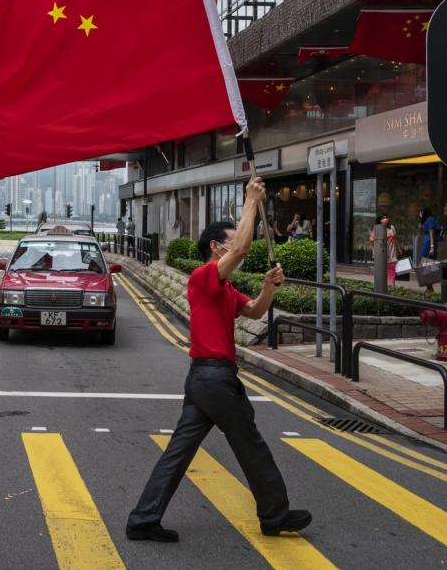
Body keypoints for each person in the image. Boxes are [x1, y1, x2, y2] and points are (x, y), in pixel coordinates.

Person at [127, 175, 311, 543]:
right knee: (252, 444)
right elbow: (242, 250)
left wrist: (267, 288)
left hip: (204, 381)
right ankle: (274, 515)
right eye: (231, 241)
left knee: (178, 452)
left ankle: (143, 519)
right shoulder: (201, 278)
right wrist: (250, 203)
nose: (239, 246)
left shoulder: (224, 289)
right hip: (214, 380)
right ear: (216, 247)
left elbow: (257, 312)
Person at [369, 211, 398, 285]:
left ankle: (392, 284)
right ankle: (382, 284)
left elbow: (394, 239)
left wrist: (399, 249)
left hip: (391, 249)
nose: (385, 219)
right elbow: (372, 241)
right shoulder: (376, 228)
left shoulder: (391, 227)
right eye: (383, 218)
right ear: (379, 220)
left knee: (391, 267)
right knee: (382, 269)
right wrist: (374, 251)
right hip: (381, 250)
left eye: (386, 218)